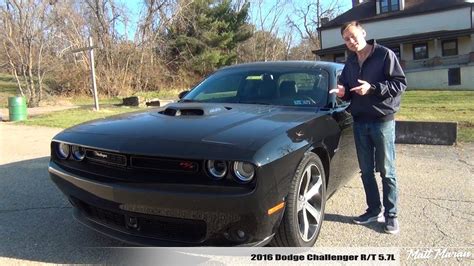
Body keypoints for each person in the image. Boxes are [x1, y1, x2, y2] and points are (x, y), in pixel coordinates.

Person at [330, 21, 407, 234]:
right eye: (347, 39)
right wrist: (343, 91)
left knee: (387, 171)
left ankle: (391, 215)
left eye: (354, 36)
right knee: (365, 171)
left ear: (363, 32)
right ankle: (374, 209)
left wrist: (372, 88)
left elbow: (400, 84)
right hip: (359, 121)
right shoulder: (351, 62)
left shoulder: (384, 55)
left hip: (382, 121)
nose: (351, 41)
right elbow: (346, 87)